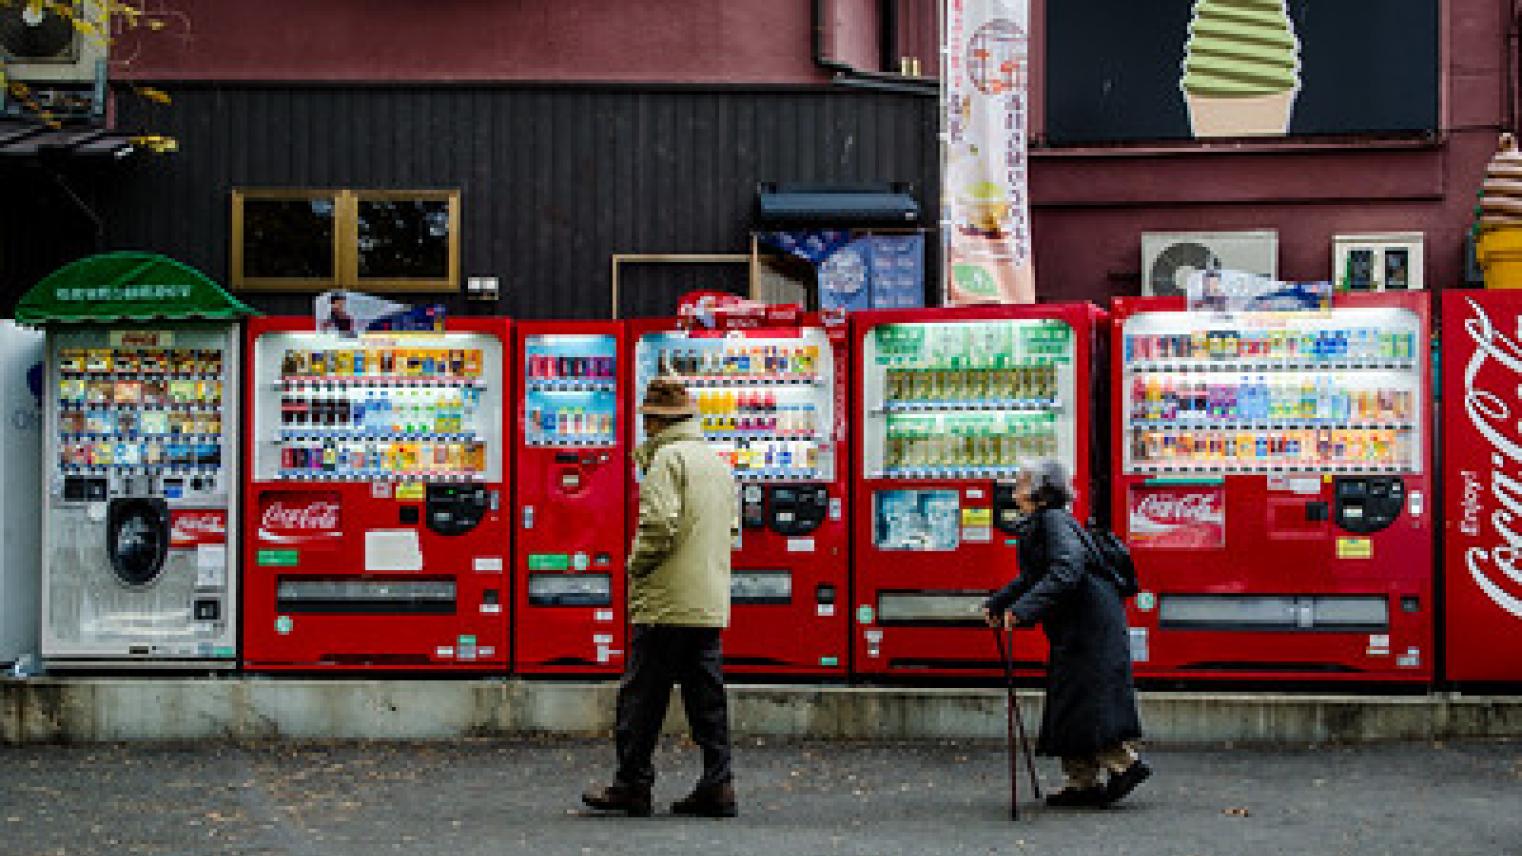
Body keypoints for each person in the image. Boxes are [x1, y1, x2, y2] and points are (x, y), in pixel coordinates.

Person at [582, 376, 740, 818]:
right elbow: (732, 530)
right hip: (706, 599)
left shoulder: (666, 459)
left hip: (666, 600)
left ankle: (632, 783)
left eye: (648, 420)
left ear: (655, 421)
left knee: (642, 697)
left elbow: (658, 526)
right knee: (706, 698)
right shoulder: (715, 461)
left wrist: (635, 567)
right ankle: (719, 783)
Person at [982, 459, 1150, 809]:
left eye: (1021, 481)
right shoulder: (1045, 521)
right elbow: (1033, 577)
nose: (1014, 487)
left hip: (1089, 627)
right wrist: (1000, 603)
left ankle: (1126, 765)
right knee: (1070, 701)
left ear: (1038, 490)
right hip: (1081, 624)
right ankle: (1081, 781)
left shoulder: (1053, 521)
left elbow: (1065, 570)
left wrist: (1023, 610)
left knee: (1084, 701)